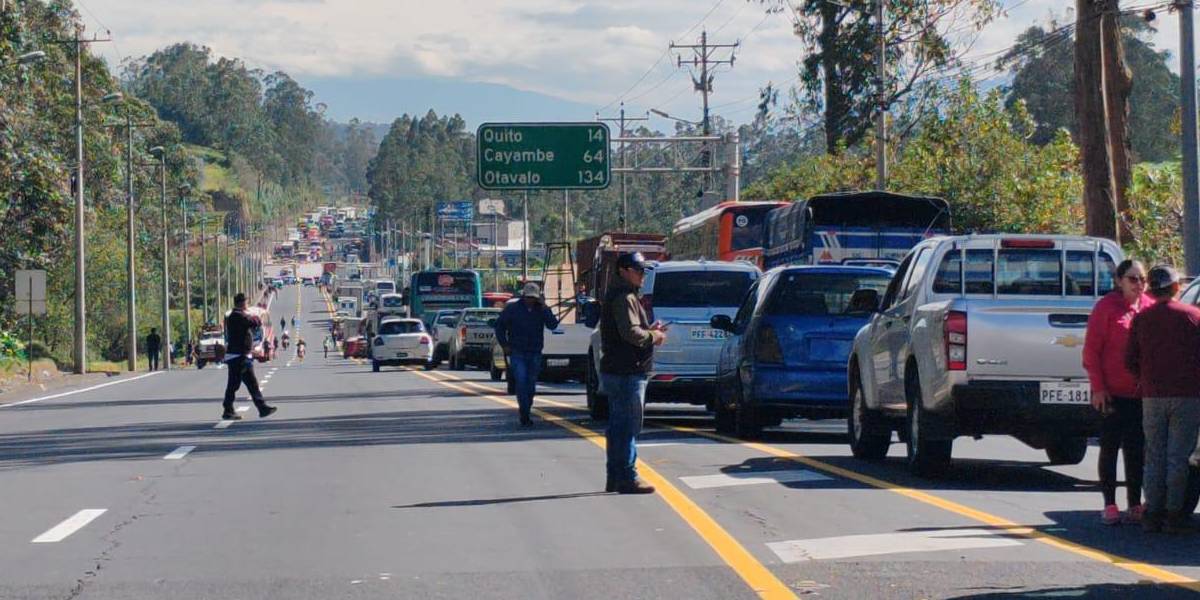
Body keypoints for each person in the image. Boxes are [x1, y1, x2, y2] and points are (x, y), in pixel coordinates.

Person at [1126, 265, 1200, 533]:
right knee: (1178, 456)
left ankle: (1152, 512)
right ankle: (1174, 513)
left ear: (1152, 289)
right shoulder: (1194, 316)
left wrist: (1145, 379)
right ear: (1176, 287)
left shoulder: (1142, 319)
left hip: (1153, 395)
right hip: (1188, 396)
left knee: (1154, 454)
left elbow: (1129, 359)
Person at [1083, 259, 1152, 525]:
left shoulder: (1148, 307)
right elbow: (1091, 351)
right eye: (1133, 279)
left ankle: (1134, 503)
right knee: (1110, 447)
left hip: (1140, 394)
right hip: (1111, 392)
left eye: (1142, 279)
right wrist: (1098, 388)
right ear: (1119, 281)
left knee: (1136, 450)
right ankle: (1109, 504)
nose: (1139, 284)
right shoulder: (1106, 308)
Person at [599, 252, 667, 495]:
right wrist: (654, 336)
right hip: (627, 370)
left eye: (643, 271)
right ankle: (627, 476)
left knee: (618, 425)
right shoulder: (624, 297)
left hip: (619, 369)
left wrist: (648, 330)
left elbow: (630, 330)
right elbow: (631, 334)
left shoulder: (621, 295)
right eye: (638, 270)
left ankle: (615, 476)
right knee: (627, 426)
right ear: (624, 270)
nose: (642, 276)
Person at [493, 282, 559, 426]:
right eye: (528, 297)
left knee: (530, 385)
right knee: (521, 382)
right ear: (523, 295)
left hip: (535, 352)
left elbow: (553, 325)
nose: (530, 300)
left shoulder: (541, 309)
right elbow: (499, 327)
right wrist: (505, 345)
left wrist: (545, 308)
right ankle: (524, 413)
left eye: (533, 297)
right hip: (517, 352)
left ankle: (527, 408)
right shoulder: (512, 309)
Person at [221, 292, 277, 420]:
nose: (247, 305)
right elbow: (254, 322)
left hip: (240, 355)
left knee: (237, 384)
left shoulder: (237, 315)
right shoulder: (237, 316)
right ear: (241, 303)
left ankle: (230, 409)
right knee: (245, 384)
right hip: (239, 356)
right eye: (246, 302)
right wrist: (255, 315)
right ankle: (260, 408)